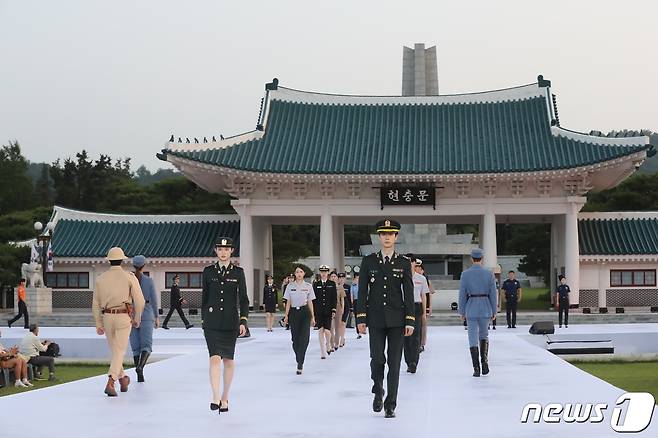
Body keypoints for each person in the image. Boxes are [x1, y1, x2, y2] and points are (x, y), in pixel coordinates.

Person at [356, 219, 415, 419]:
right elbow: (362, 291)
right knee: (377, 359)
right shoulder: (369, 261)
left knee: (395, 362)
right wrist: (361, 318)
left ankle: (391, 404)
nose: (387, 237)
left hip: (398, 320)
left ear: (396, 237)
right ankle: (378, 388)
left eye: (391, 234)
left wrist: (410, 320)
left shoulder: (404, 263)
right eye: (384, 234)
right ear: (379, 237)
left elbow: (408, 292)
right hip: (375, 319)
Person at [202, 237, 249, 414]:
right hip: (212, 322)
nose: (223, 252)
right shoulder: (208, 271)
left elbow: (244, 299)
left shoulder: (238, 272)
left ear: (231, 251)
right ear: (216, 251)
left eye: (227, 249)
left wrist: (243, 320)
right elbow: (205, 298)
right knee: (214, 358)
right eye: (220, 249)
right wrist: (203, 319)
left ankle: (224, 397)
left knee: (228, 360)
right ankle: (215, 397)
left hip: (231, 322)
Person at [93, 247, 145, 396]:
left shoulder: (100, 279)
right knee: (120, 351)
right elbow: (140, 301)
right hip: (123, 316)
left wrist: (98, 323)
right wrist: (137, 319)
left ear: (109, 261)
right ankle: (111, 381)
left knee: (116, 351)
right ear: (122, 260)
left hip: (107, 317)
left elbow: (95, 303)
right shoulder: (129, 277)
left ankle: (123, 379)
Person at [458, 248, 497, 378]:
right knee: (484, 335)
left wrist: (462, 311)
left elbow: (462, 295)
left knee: (472, 337)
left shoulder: (465, 274)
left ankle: (476, 368)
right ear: (482, 258)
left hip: (471, 306)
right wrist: (494, 310)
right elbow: (493, 294)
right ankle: (484, 362)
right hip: (485, 305)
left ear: (471, 258)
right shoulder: (489, 274)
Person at [129, 255, 160, 383]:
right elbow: (153, 300)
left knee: (135, 345)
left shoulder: (128, 280)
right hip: (146, 313)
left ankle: (138, 370)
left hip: (131, 314)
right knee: (146, 345)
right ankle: (141, 367)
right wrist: (157, 316)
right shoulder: (148, 281)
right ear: (144, 266)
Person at [283, 266, 316, 374]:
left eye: (301, 272)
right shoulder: (290, 286)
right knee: (295, 339)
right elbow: (288, 301)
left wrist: (313, 316)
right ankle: (299, 357)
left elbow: (310, 302)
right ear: (294, 274)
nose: (299, 274)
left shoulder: (308, 286)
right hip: (294, 313)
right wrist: (286, 315)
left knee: (305, 338)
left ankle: (300, 362)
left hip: (305, 313)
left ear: (304, 273)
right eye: (297, 272)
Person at [403, 256, 428, 373]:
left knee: (416, 335)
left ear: (414, 263)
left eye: (411, 261)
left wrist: (425, 311)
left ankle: (414, 361)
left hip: (417, 306)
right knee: (406, 335)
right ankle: (408, 361)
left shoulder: (421, 278)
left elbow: (424, 295)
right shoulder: (400, 277)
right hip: (403, 307)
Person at [313, 265, 337, 358]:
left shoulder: (332, 284)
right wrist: (314, 311)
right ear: (320, 272)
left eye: (325, 272)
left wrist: (333, 309)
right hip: (318, 311)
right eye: (322, 272)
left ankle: (328, 344)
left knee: (327, 331)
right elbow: (314, 299)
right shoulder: (316, 284)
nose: (323, 273)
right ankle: (322, 351)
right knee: (320, 330)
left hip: (328, 310)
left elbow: (334, 298)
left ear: (328, 273)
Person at [418, 263, 434, 352]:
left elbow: (430, 294)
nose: (418, 270)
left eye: (419, 268)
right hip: (415, 304)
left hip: (424, 305)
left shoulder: (426, 280)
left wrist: (430, 306)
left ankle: (422, 343)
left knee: (423, 325)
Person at [330, 271, 345, 350]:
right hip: (329, 308)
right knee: (330, 327)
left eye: (334, 276)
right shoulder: (328, 286)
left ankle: (336, 343)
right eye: (332, 276)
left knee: (337, 326)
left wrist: (342, 308)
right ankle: (331, 343)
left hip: (338, 307)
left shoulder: (340, 287)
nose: (333, 278)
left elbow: (342, 299)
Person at [350, 273, 361, 338]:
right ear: (354, 278)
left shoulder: (362, 285)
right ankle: (358, 332)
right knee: (357, 316)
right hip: (356, 301)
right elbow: (351, 294)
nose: (358, 279)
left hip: (362, 301)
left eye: (359, 278)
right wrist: (352, 303)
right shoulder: (353, 286)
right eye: (356, 278)